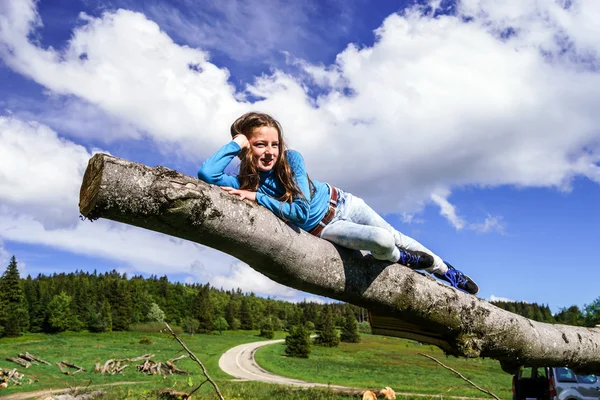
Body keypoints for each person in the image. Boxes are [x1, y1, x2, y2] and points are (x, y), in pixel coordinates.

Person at [197, 112, 479, 295]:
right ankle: (401, 259)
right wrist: (237, 143)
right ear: (247, 148)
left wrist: (258, 198)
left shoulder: (292, 159)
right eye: (260, 144)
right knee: (382, 241)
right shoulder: (246, 183)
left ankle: (446, 271)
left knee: (397, 235)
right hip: (325, 229)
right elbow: (207, 174)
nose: (270, 152)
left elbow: (301, 209)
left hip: (343, 201)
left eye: (274, 144)